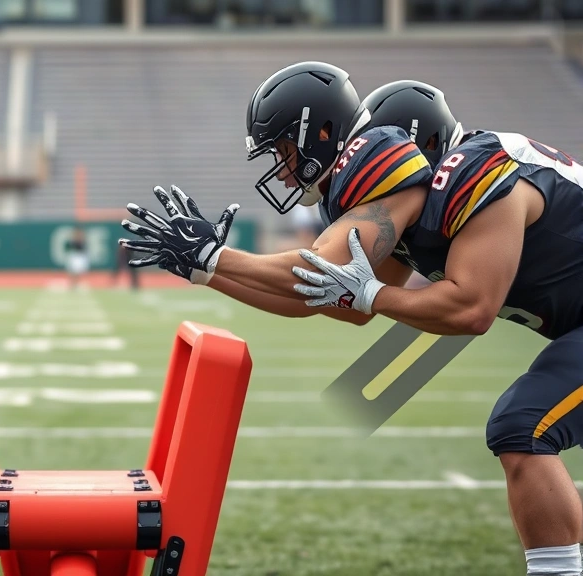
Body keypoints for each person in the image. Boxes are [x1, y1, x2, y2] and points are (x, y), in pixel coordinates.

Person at [122, 61, 583, 576]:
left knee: (522, 426)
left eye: (284, 149)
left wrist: (223, 257)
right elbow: (322, 292)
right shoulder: (426, 204)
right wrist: (207, 269)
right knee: (521, 426)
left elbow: (469, 308)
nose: (282, 165)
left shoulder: (471, 169)